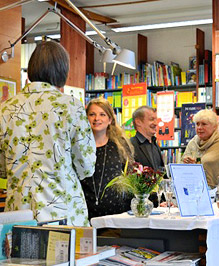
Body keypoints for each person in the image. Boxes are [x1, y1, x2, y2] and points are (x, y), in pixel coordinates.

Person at [0, 41, 96, 226]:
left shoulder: (5, 109)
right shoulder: (70, 106)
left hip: (18, 212)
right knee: (66, 254)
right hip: (62, 210)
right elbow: (86, 166)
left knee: (19, 255)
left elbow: (2, 169)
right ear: (63, 71)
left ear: (31, 69)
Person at [81, 98, 134, 220]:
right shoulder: (80, 146)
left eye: (102, 114)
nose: (96, 119)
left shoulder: (120, 146)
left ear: (110, 119)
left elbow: (130, 177)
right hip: (84, 212)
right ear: (85, 118)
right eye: (92, 114)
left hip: (116, 214)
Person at [182, 109, 219, 188]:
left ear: (214, 127)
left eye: (204, 124)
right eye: (197, 124)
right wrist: (187, 163)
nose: (199, 127)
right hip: (195, 189)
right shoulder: (193, 143)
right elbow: (183, 168)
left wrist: (196, 165)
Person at [130, 106, 164, 171]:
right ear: (138, 122)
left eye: (156, 119)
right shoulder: (130, 145)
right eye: (151, 119)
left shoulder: (155, 144)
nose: (156, 123)